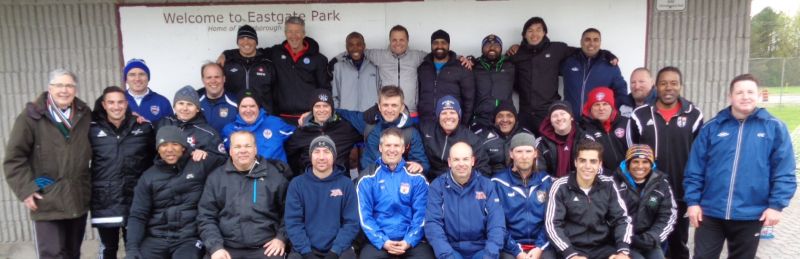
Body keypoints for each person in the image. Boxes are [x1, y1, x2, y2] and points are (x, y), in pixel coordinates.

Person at [684, 74, 797, 259]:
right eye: (739, 92)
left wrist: (776, 206)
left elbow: (784, 171)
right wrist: (693, 202)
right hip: (710, 213)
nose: (745, 96)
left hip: (751, 214)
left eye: (750, 91)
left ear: (758, 95)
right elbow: (695, 169)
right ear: (730, 96)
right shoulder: (712, 128)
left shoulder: (775, 128)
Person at [3, 69, 92, 258]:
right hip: (46, 198)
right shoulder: (31, 117)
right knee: (51, 254)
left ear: (75, 90)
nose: (64, 90)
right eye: (59, 85)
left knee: (72, 253)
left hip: (77, 196)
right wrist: (26, 189)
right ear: (49, 88)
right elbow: (14, 158)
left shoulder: (84, 114)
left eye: (69, 85)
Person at [628, 66, 703, 259]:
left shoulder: (694, 115)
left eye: (673, 83)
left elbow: (700, 156)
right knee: (651, 241)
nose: (668, 88)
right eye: (663, 83)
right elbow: (631, 153)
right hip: (648, 194)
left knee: (679, 242)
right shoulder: (640, 115)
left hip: (681, 192)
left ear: (680, 86)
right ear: (656, 86)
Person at [125, 126, 225, 259]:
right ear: (158, 149)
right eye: (164, 145)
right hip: (156, 238)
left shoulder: (199, 164)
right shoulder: (148, 177)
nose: (169, 149)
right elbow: (138, 215)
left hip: (189, 239)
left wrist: (205, 153)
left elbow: (229, 163)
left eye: (175, 144)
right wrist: (132, 248)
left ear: (183, 147)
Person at [508, 17, 616, 134]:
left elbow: (586, 50)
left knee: (550, 148)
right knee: (525, 148)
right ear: (524, 35)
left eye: (538, 30)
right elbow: (508, 76)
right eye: (530, 30)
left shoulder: (557, 49)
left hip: (549, 112)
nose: (534, 34)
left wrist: (607, 54)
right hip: (525, 113)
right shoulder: (517, 54)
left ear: (544, 32)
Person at [197, 131, 290, 259]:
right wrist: (215, 248)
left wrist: (281, 238)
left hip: (266, 247)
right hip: (226, 248)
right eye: (237, 147)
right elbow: (206, 216)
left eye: (248, 146)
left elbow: (290, 213)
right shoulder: (216, 178)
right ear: (230, 151)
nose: (243, 151)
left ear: (255, 149)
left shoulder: (275, 176)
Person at [89, 86, 156, 259]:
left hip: (136, 199)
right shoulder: (91, 129)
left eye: (120, 102)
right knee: (108, 248)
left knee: (135, 248)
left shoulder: (143, 127)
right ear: (104, 104)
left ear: (127, 104)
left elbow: (156, 160)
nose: (116, 106)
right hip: (105, 200)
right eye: (111, 102)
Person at [545, 140, 632, 259]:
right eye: (582, 160)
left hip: (602, 247)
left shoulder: (608, 184)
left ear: (600, 164)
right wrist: (570, 254)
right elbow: (552, 224)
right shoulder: (560, 186)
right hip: (571, 247)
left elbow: (622, 219)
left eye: (593, 161)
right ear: (575, 162)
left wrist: (623, 251)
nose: (587, 166)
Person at [356, 128, 435, 258]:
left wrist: (408, 241)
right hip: (379, 242)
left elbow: (421, 215)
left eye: (396, 145)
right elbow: (365, 217)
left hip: (411, 242)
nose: (392, 150)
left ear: (403, 149)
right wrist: (383, 241)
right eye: (388, 145)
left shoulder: (416, 177)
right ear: (380, 148)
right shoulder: (367, 178)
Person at [425, 142, 505, 259]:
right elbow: (433, 224)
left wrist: (489, 255)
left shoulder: (487, 186)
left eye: (465, 159)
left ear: (472, 161)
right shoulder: (437, 186)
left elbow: (497, 225)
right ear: (449, 162)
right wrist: (447, 255)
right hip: (450, 249)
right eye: (456, 159)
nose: (461, 164)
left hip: (482, 249)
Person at [285, 136, 360, 259]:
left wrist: (335, 251)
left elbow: (351, 223)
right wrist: (306, 252)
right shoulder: (297, 184)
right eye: (316, 152)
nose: (321, 157)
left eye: (326, 151)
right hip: (304, 249)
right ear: (310, 156)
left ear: (334, 156)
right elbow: (293, 222)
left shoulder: (346, 184)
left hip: (338, 249)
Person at [337, 86, 429, 174]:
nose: (389, 110)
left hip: (398, 182)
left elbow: (422, 164)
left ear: (401, 107)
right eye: (385, 105)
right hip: (370, 180)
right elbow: (345, 114)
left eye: (394, 105)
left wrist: (419, 166)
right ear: (379, 107)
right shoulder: (369, 122)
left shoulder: (411, 133)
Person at [492, 133, 556, 259]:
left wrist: (539, 247)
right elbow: (497, 223)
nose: (524, 156)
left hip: (541, 245)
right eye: (519, 151)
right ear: (511, 154)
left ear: (535, 153)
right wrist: (517, 251)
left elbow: (551, 220)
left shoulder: (546, 181)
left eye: (528, 151)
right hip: (510, 247)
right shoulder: (498, 183)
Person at [612, 144, 676, 259]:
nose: (640, 166)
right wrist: (625, 238)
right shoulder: (614, 183)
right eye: (635, 161)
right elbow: (608, 215)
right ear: (628, 163)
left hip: (648, 240)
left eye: (645, 162)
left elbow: (668, 215)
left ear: (651, 164)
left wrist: (651, 238)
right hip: (621, 241)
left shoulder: (661, 183)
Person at [264, 16, 331, 125]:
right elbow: (253, 52)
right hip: (281, 118)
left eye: (298, 32)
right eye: (290, 32)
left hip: (309, 118)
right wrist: (227, 55)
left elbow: (324, 90)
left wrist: (318, 113)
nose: (294, 36)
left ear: (304, 34)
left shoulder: (318, 59)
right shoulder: (275, 53)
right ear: (285, 33)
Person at [285, 89, 361, 174]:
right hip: (310, 183)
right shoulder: (301, 132)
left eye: (326, 106)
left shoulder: (346, 128)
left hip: (339, 183)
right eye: (317, 106)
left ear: (332, 108)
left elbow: (367, 127)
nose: (322, 110)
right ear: (312, 109)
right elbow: (290, 157)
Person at [560, 28, 628, 115]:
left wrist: (616, 113)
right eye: (587, 39)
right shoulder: (569, 62)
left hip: (596, 122)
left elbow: (620, 89)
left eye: (596, 40)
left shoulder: (610, 65)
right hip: (571, 120)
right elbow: (549, 73)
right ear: (581, 42)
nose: (591, 43)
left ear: (600, 42)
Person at [421, 95, 488, 180]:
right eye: (444, 113)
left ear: (459, 115)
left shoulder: (471, 139)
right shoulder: (427, 130)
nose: (448, 117)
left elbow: (484, 168)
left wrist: (468, 183)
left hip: (460, 183)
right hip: (432, 182)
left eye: (452, 112)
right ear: (438, 116)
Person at [417, 29, 475, 126]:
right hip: (426, 123)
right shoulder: (423, 67)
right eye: (436, 43)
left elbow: (469, 100)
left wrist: (463, 125)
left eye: (443, 43)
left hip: (452, 124)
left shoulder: (462, 67)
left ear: (449, 45)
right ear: (431, 45)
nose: (439, 46)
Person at [221, 90, 296, 163]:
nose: (248, 110)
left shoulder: (275, 123)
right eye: (244, 106)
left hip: (274, 173)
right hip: (243, 174)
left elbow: (298, 137)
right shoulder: (229, 130)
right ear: (238, 108)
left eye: (252, 106)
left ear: (258, 107)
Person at [217, 25, 277, 113]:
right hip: (235, 115)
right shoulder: (228, 63)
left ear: (256, 42)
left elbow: (275, 94)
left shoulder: (267, 64)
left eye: (250, 38)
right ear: (237, 42)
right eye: (242, 38)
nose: (246, 42)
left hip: (263, 116)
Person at [157, 85, 226, 160]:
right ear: (174, 106)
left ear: (197, 109)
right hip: (165, 169)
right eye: (181, 103)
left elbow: (221, 158)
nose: (185, 108)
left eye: (190, 104)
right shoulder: (164, 123)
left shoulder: (208, 133)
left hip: (192, 170)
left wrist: (206, 156)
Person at [579, 87, 628, 173]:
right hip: (603, 180)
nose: (601, 108)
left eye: (605, 104)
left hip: (630, 175)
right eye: (597, 104)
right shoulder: (584, 129)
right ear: (590, 108)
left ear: (612, 107)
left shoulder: (627, 123)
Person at [471, 34, 516, 130]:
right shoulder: (474, 66)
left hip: (505, 118)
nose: (492, 48)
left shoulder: (511, 65)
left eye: (496, 46)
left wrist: (518, 47)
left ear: (501, 48)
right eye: (488, 46)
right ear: (482, 49)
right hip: (481, 118)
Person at [475, 100, 533, 173]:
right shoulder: (482, 137)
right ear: (494, 119)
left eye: (509, 116)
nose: (505, 120)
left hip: (520, 180)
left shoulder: (526, 135)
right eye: (500, 116)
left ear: (515, 119)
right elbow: (481, 167)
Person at [537, 100, 591, 178]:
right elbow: (539, 172)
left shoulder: (585, 139)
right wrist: (558, 185)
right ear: (550, 121)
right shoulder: (541, 143)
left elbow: (595, 168)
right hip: (551, 186)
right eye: (555, 115)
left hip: (581, 184)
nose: (559, 118)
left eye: (563, 114)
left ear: (571, 117)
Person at [330, 31, 381, 111]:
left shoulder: (374, 66)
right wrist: (338, 113)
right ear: (346, 47)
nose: (355, 48)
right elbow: (335, 95)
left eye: (359, 44)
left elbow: (381, 92)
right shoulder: (338, 67)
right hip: (347, 117)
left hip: (370, 116)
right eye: (351, 45)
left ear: (364, 46)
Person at [123, 58, 173, 122]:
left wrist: (149, 126)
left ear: (148, 78)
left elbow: (171, 129)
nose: (137, 79)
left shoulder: (162, 102)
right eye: (132, 75)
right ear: (126, 80)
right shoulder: (117, 102)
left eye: (142, 74)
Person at [198, 62, 238, 133]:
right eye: (209, 77)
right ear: (203, 80)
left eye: (217, 77)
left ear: (224, 79)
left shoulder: (236, 103)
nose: (213, 81)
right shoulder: (195, 103)